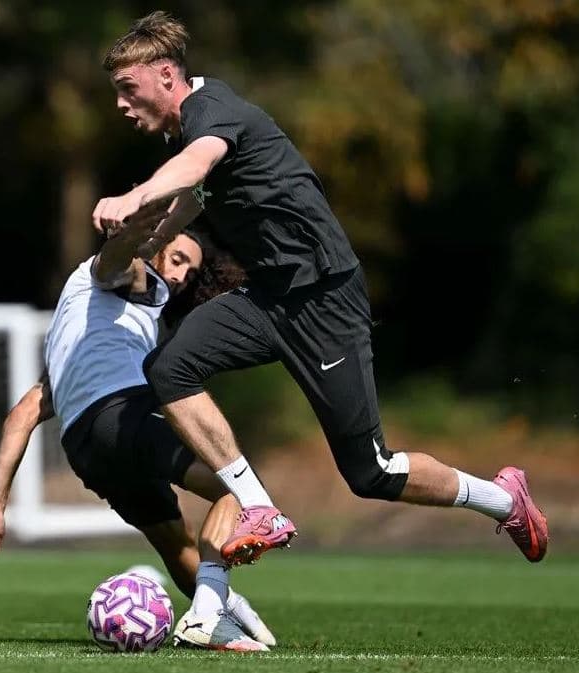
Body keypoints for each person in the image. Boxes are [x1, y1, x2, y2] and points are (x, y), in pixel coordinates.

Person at [91, 11, 548, 567]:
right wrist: (156, 235)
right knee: (169, 369)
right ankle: (259, 507)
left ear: (166, 75)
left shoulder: (209, 112)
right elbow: (197, 191)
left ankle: (505, 500)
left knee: (370, 472)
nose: (120, 103)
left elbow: (196, 164)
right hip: (270, 297)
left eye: (127, 88)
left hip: (323, 298)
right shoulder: (192, 126)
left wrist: (133, 197)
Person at [0, 215, 275, 651]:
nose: (180, 276)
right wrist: (139, 224)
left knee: (174, 542)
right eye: (178, 259)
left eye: (191, 273)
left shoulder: (81, 335)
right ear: (157, 246)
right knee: (238, 487)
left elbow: (22, 414)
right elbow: (119, 261)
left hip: (85, 448)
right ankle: (211, 613)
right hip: (123, 415)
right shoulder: (123, 277)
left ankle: (223, 616)